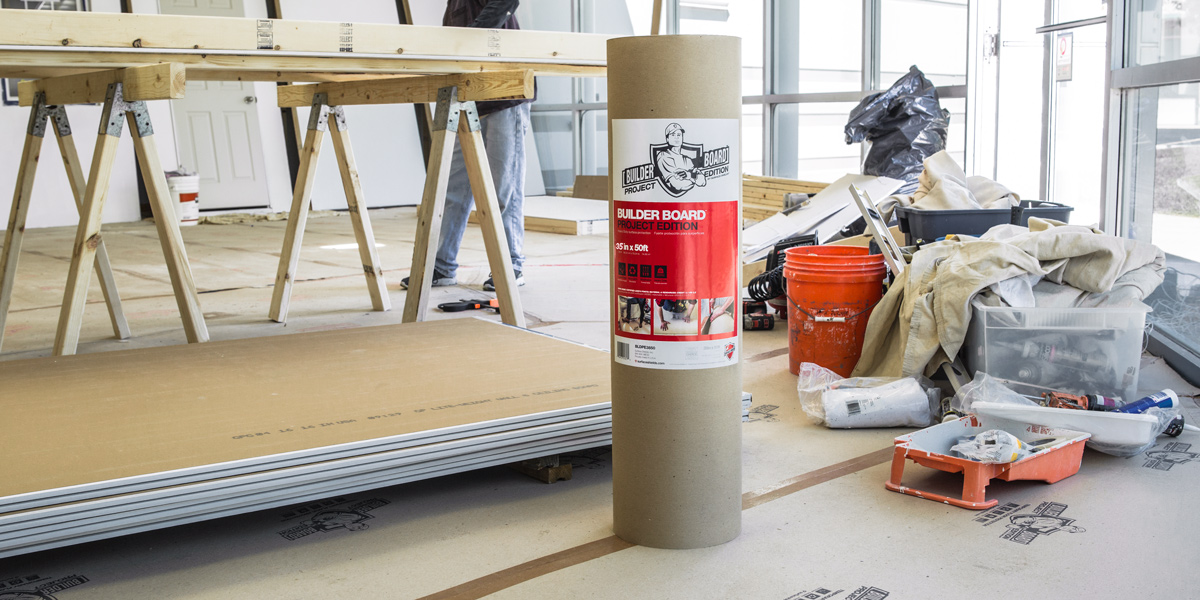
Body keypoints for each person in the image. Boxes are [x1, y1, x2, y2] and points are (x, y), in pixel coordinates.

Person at [401, 0, 531, 292]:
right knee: (453, 189)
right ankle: (441, 266)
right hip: (468, 98)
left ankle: (509, 267)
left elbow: (506, 2)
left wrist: (471, 37)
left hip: (504, 96)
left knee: (503, 189)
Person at [656, 122, 706, 195]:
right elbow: (677, 184)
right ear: (667, 139)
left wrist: (688, 175)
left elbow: (702, 182)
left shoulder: (687, 160)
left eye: (679, 135)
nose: (676, 137)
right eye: (673, 135)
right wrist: (693, 177)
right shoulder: (663, 156)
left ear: (682, 138)